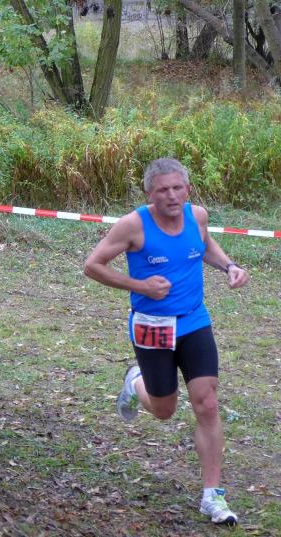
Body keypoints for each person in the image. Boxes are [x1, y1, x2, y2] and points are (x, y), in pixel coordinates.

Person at [83, 157, 249, 526]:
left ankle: (212, 495)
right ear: (149, 194)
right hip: (152, 325)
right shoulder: (133, 225)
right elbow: (93, 265)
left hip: (194, 321)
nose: (171, 196)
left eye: (177, 188)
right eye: (162, 190)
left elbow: (205, 245)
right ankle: (135, 381)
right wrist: (140, 285)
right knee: (164, 411)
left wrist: (230, 266)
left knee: (207, 403)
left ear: (187, 189)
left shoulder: (198, 216)